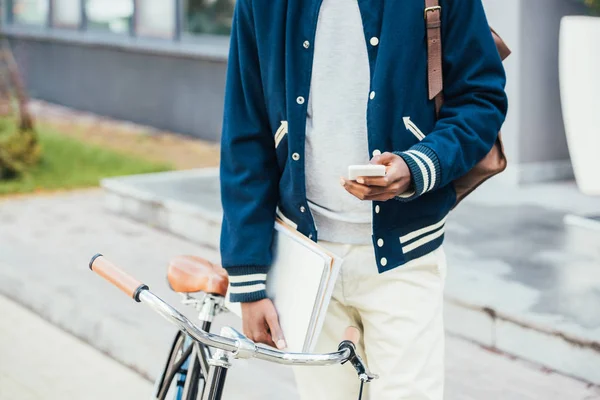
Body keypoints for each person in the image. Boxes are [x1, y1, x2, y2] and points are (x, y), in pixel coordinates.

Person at [219, 0, 508, 398]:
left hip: (405, 257)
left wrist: (415, 166)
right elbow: (245, 131)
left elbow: (480, 99)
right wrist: (248, 279)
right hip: (305, 260)